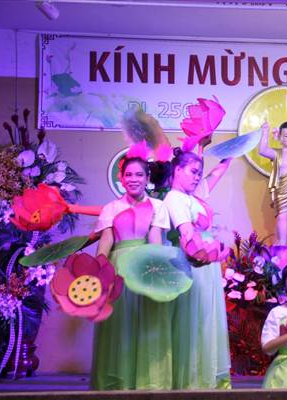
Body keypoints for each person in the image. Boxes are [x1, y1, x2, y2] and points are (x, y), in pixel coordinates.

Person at [91, 156, 172, 390]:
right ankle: (118, 383)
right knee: (119, 324)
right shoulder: (111, 207)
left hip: (145, 265)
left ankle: (149, 383)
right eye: (128, 174)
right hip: (118, 269)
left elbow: (155, 239)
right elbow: (106, 240)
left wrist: (158, 270)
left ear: (147, 178)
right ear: (122, 178)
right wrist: (98, 269)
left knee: (148, 322)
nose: (133, 179)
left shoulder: (158, 206)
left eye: (139, 174)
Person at [163, 149, 232, 388]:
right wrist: (200, 254)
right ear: (177, 170)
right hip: (193, 259)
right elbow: (186, 232)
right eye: (193, 172)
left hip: (206, 262)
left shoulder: (193, 197)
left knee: (205, 317)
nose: (197, 177)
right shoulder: (174, 198)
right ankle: (191, 381)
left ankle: (206, 377)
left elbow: (216, 174)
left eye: (199, 173)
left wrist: (231, 154)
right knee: (193, 319)